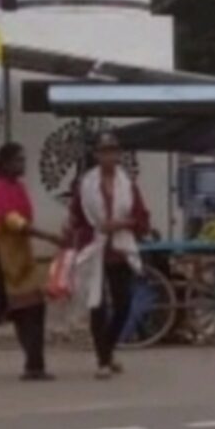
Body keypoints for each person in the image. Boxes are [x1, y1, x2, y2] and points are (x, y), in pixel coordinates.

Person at [69, 131, 150, 380]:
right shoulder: (86, 184)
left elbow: (142, 218)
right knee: (97, 304)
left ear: (118, 155)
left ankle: (108, 347)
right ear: (97, 155)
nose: (109, 156)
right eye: (104, 152)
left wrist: (121, 223)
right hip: (95, 247)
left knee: (123, 303)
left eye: (113, 152)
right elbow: (77, 218)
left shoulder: (128, 184)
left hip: (119, 249)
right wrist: (79, 230)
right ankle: (103, 360)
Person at [0, 143, 62, 380]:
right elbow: (13, 221)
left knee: (32, 310)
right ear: (5, 163)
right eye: (18, 160)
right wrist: (47, 236)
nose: (23, 165)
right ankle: (34, 365)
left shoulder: (18, 187)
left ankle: (34, 366)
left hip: (20, 260)